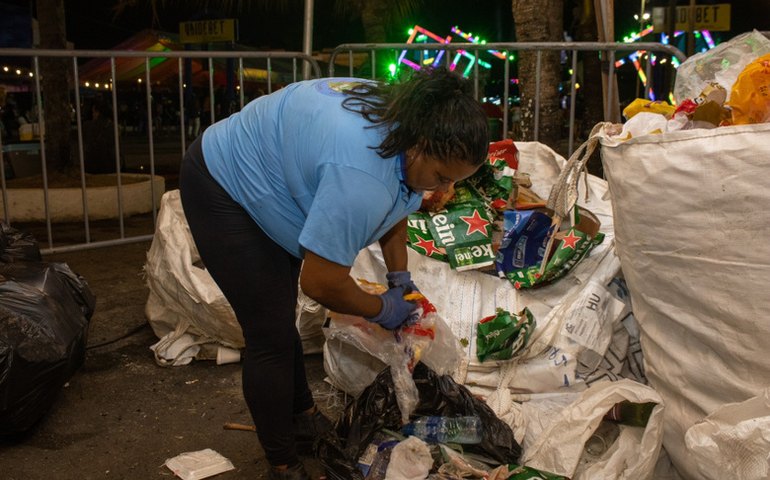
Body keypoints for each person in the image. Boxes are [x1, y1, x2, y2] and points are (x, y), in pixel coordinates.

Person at [178, 67, 489, 480]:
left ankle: (303, 416)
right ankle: (284, 464)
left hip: (279, 178)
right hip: (225, 183)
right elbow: (321, 282)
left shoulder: (413, 120)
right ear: (418, 145)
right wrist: (381, 308)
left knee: (277, 314)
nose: (441, 190)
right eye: (441, 176)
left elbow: (400, 204)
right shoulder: (362, 176)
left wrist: (401, 279)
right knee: (268, 334)